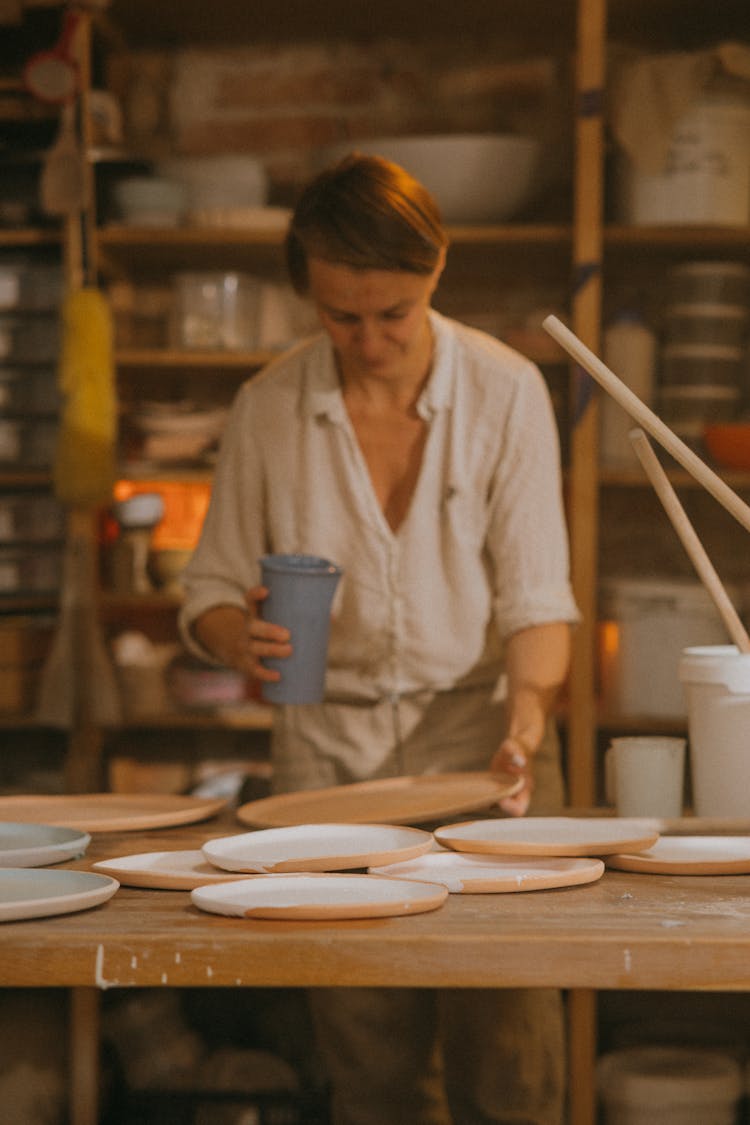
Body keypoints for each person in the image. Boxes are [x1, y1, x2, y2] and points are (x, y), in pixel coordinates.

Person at [179, 153, 580, 1125]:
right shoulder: (270, 405)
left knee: (511, 1060)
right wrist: (239, 641)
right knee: (369, 1060)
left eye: (392, 313)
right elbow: (208, 590)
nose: (368, 339)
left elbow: (538, 601)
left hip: (482, 744)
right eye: (340, 316)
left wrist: (525, 726)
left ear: (436, 268)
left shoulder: (506, 390)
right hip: (330, 755)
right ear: (307, 293)